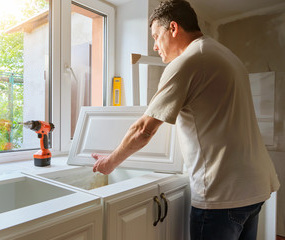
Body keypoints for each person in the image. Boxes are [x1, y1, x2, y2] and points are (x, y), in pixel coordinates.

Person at [92, 0, 280, 239]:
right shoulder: (225, 55)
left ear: (173, 28)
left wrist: (110, 162)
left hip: (222, 194)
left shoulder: (188, 62)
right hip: (256, 187)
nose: (154, 46)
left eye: (156, 36)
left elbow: (143, 130)